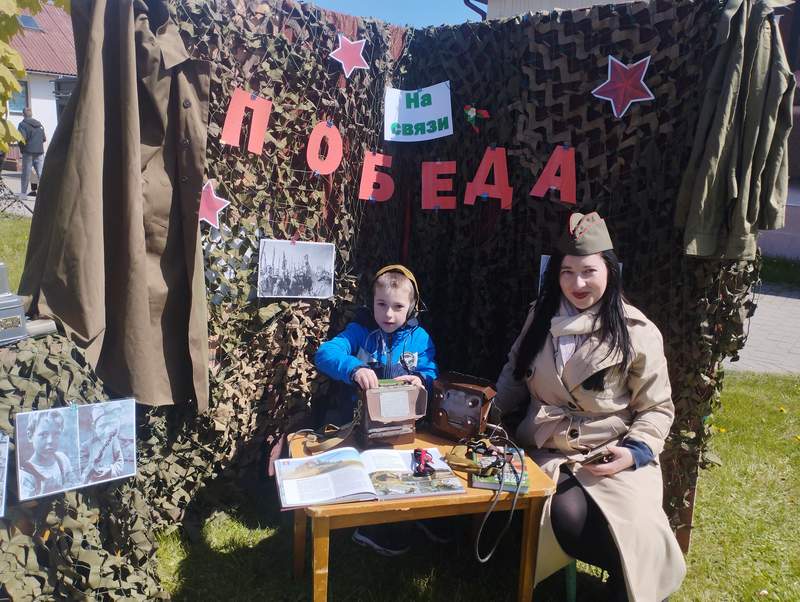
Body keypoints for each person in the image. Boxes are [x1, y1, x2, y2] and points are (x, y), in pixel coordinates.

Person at [495, 212, 685, 601]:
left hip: (612, 451)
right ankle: (622, 582)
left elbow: (657, 408)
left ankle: (626, 587)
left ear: (610, 272)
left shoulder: (637, 332)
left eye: (588, 271)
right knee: (569, 516)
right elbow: (514, 374)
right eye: (567, 272)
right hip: (549, 449)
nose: (577, 284)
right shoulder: (540, 317)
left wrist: (633, 452)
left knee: (640, 528)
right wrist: (486, 416)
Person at [314, 264, 442, 556]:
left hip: (404, 428)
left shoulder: (420, 338)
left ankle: (416, 516)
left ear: (412, 307)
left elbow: (431, 370)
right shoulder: (359, 332)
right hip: (360, 428)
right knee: (373, 471)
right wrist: (354, 368)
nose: (388, 314)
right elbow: (325, 353)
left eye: (398, 307)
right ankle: (371, 527)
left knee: (414, 468)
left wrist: (421, 380)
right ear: (371, 302)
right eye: (381, 304)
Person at [18, 410, 76, 499]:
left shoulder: (62, 459)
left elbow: (72, 481)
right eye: (44, 434)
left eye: (56, 434)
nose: (50, 441)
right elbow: (27, 504)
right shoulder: (25, 475)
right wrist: (43, 493)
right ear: (30, 436)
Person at [80, 405, 125, 484]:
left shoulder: (114, 441)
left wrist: (110, 470)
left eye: (110, 425)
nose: (107, 430)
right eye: (102, 426)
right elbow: (82, 468)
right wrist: (92, 469)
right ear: (94, 428)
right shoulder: (86, 445)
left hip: (110, 479)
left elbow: (120, 462)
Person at [17, 107, 46, 197]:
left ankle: (23, 194)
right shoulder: (39, 124)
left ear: (23, 114)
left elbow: (22, 139)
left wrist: (22, 150)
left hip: (28, 152)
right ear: (31, 114)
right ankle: (45, 194)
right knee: (41, 173)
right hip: (40, 151)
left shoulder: (22, 125)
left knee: (26, 174)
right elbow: (44, 138)